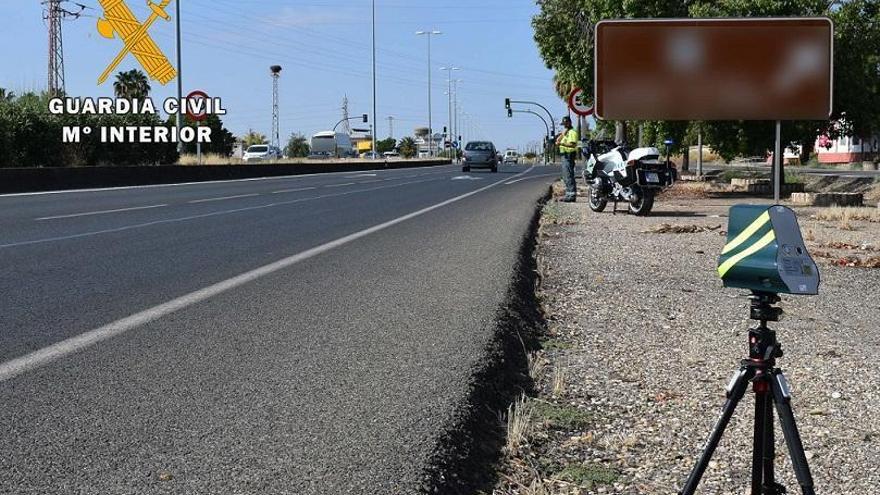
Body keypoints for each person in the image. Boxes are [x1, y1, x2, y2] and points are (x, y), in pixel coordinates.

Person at [557, 116, 580, 202]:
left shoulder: (572, 132)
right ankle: (568, 194)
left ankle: (571, 195)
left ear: (569, 123)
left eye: (565, 124)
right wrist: (563, 134)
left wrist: (562, 144)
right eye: (563, 125)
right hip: (564, 155)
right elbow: (557, 141)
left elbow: (573, 144)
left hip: (569, 155)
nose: (564, 126)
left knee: (569, 175)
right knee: (566, 176)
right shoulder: (566, 132)